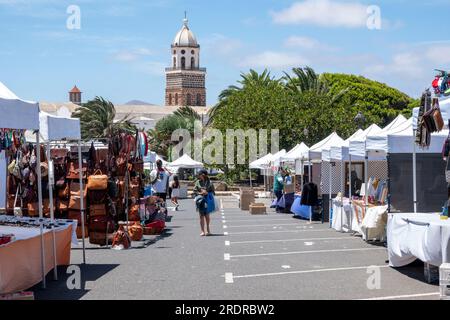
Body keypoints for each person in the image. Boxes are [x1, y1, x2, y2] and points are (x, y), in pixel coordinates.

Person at [193, 169, 215, 237]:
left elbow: (213, 192)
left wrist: (207, 192)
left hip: (207, 200)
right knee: (201, 216)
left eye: (199, 175)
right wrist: (200, 193)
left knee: (207, 216)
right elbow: (194, 191)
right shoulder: (197, 182)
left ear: (203, 175)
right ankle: (202, 231)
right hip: (200, 201)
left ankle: (208, 229)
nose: (198, 176)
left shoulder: (210, 182)